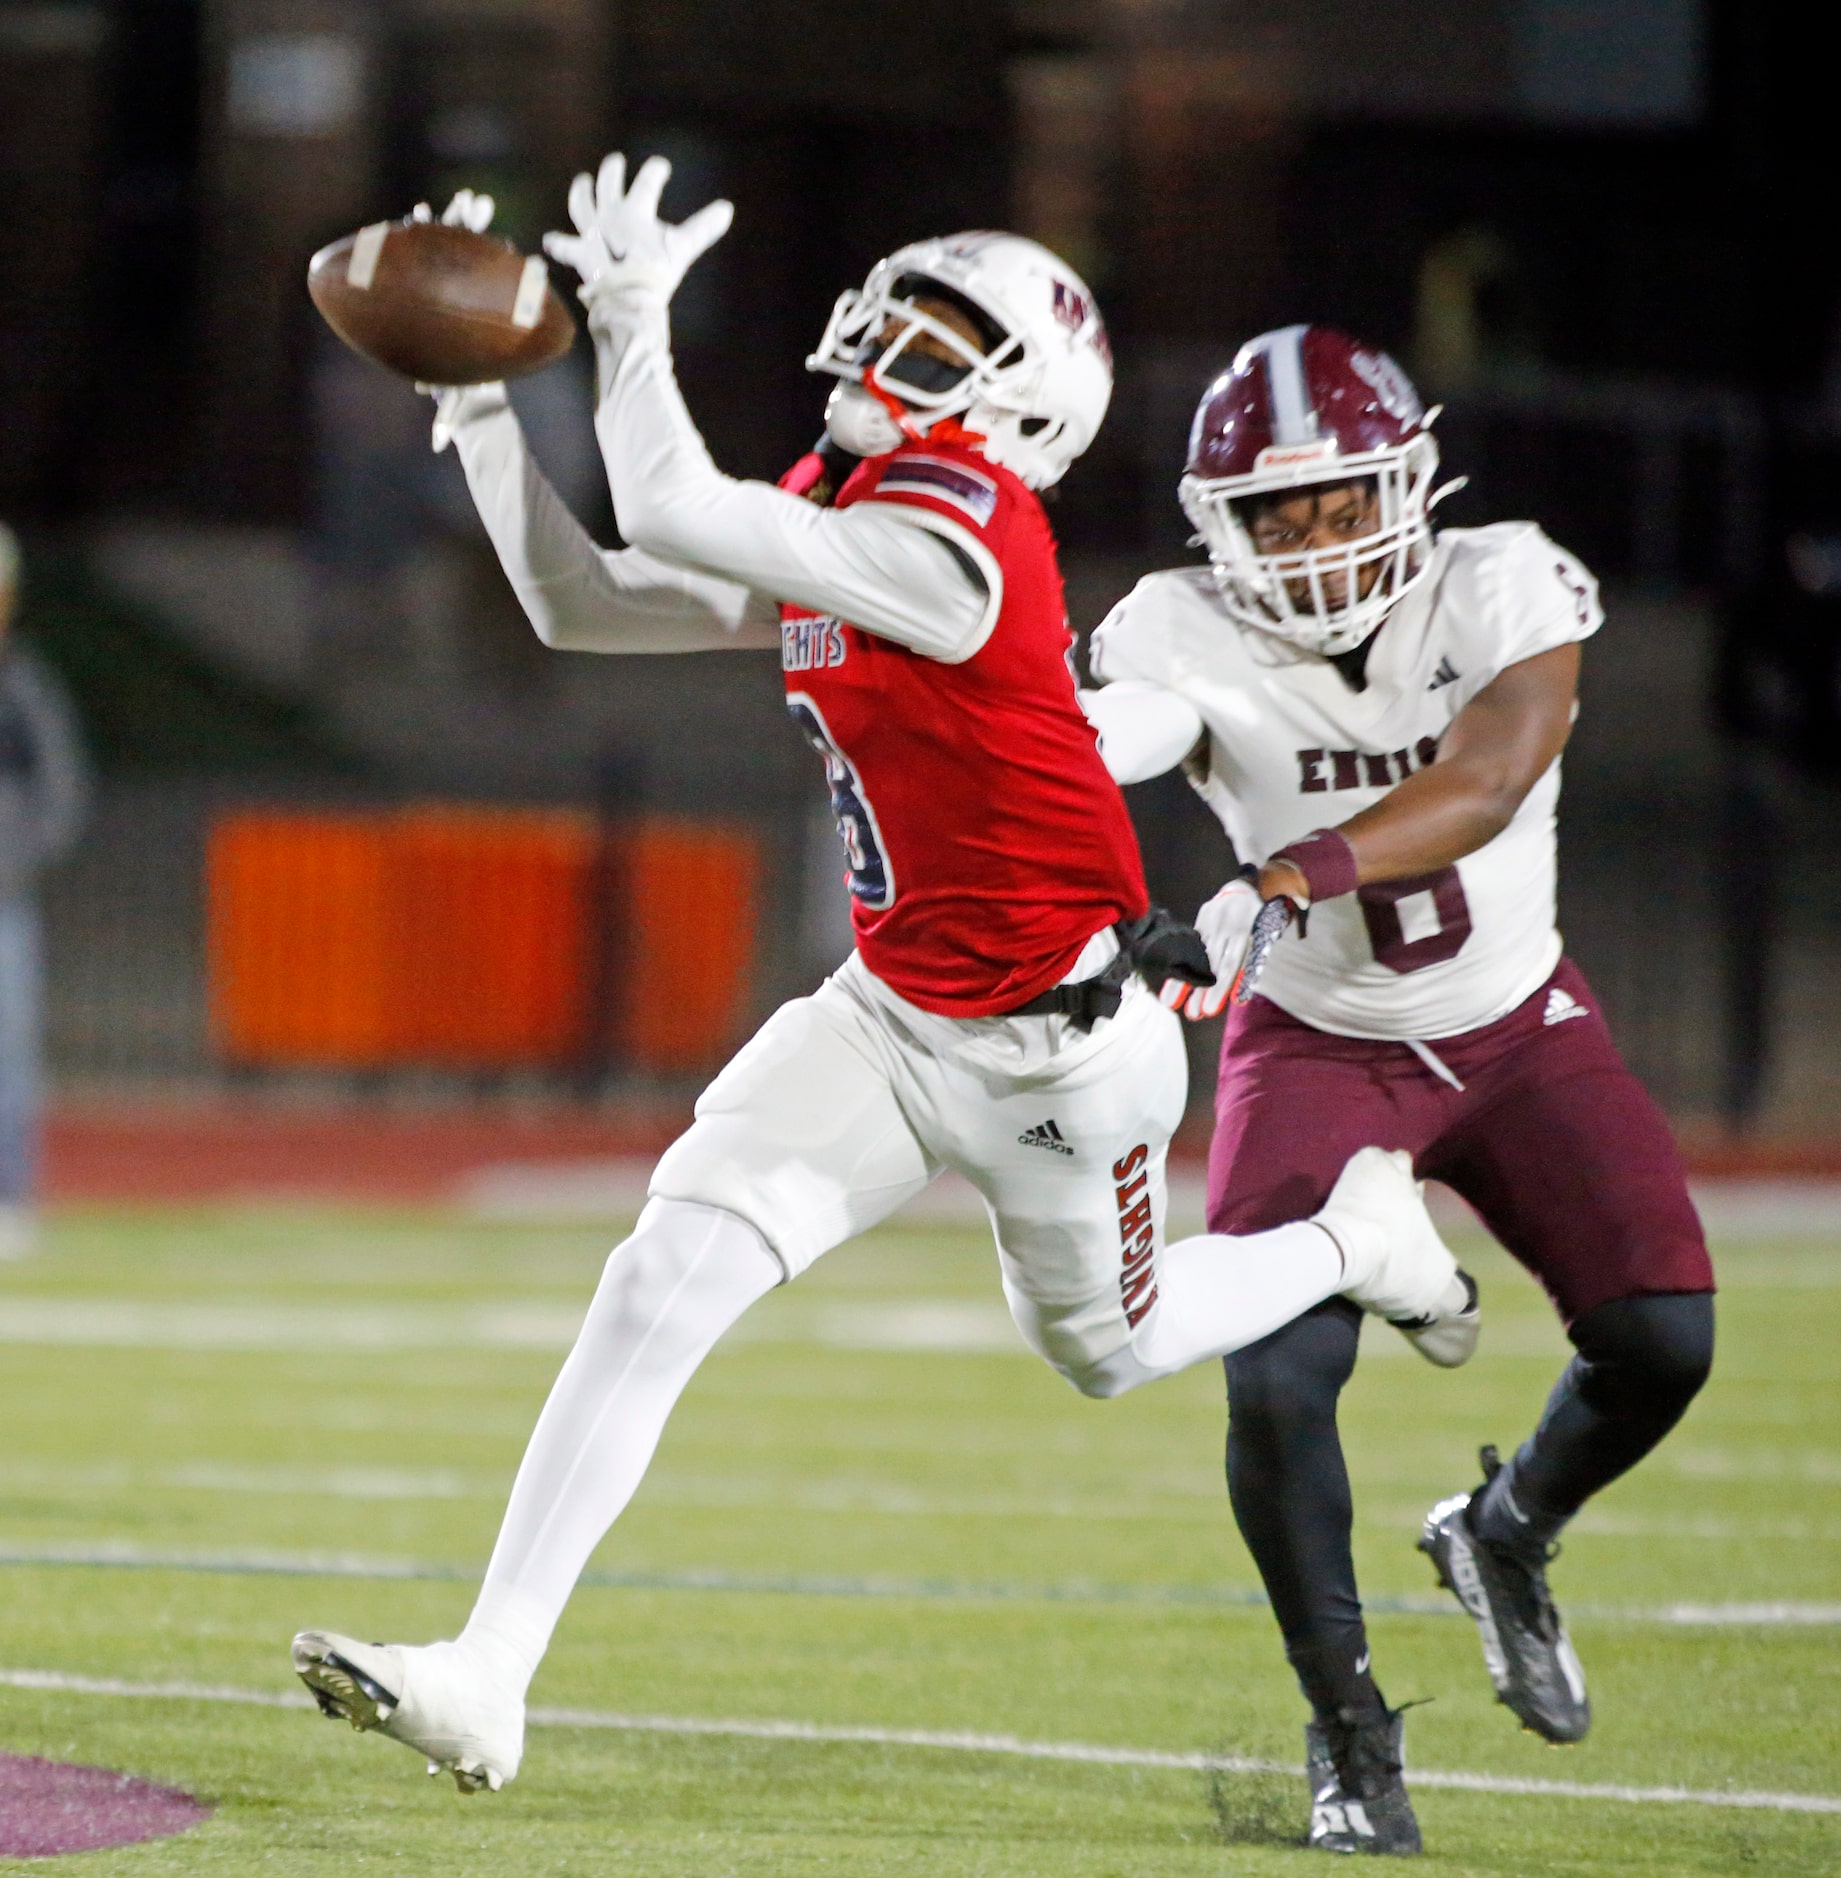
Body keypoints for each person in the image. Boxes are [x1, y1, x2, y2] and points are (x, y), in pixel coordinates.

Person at [290, 170, 1475, 1795]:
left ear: (1019, 400)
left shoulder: (962, 539)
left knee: (1110, 1347)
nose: (898, 340)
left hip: (1064, 1048)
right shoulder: (859, 515)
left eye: (948, 333)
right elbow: (579, 599)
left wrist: (629, 324)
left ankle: (1360, 1235)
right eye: (903, 306)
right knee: (660, 1275)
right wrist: (485, 408)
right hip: (888, 1008)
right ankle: (487, 1673)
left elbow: (669, 508)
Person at [1082, 324, 1716, 1855]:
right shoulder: (1174, 629)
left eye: (1339, 502)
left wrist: (1288, 867)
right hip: (1313, 1041)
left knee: (1662, 1341)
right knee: (1279, 1382)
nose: (1311, 543)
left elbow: (1494, 771)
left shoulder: (1505, 580)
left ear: (1412, 486)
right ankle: (1351, 1739)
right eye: (1275, 517)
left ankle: (1504, 1532)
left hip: (1511, 1021)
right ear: (1217, 531)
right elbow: (1120, 738)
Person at [0, 522, 91, 1257]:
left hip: (3, 902)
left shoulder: (21, 685)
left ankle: (12, 1197)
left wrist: (17, 860)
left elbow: (59, 790)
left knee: (9, 1053)